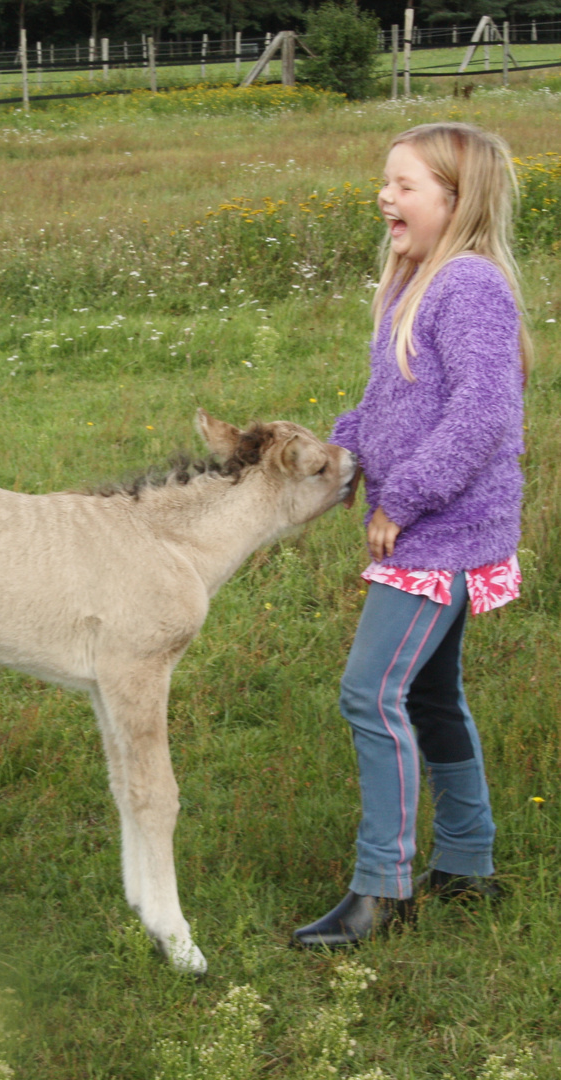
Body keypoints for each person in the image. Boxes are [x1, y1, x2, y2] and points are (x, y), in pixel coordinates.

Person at [293, 122, 532, 948]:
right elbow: (382, 404)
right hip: (428, 526)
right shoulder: (411, 282)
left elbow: (484, 415)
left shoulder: (468, 286)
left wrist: (406, 500)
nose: (384, 197)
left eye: (404, 186)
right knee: (428, 694)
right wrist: (338, 460)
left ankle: (380, 888)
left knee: (370, 694)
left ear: (456, 201)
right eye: (385, 182)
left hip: (443, 532)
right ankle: (467, 865)